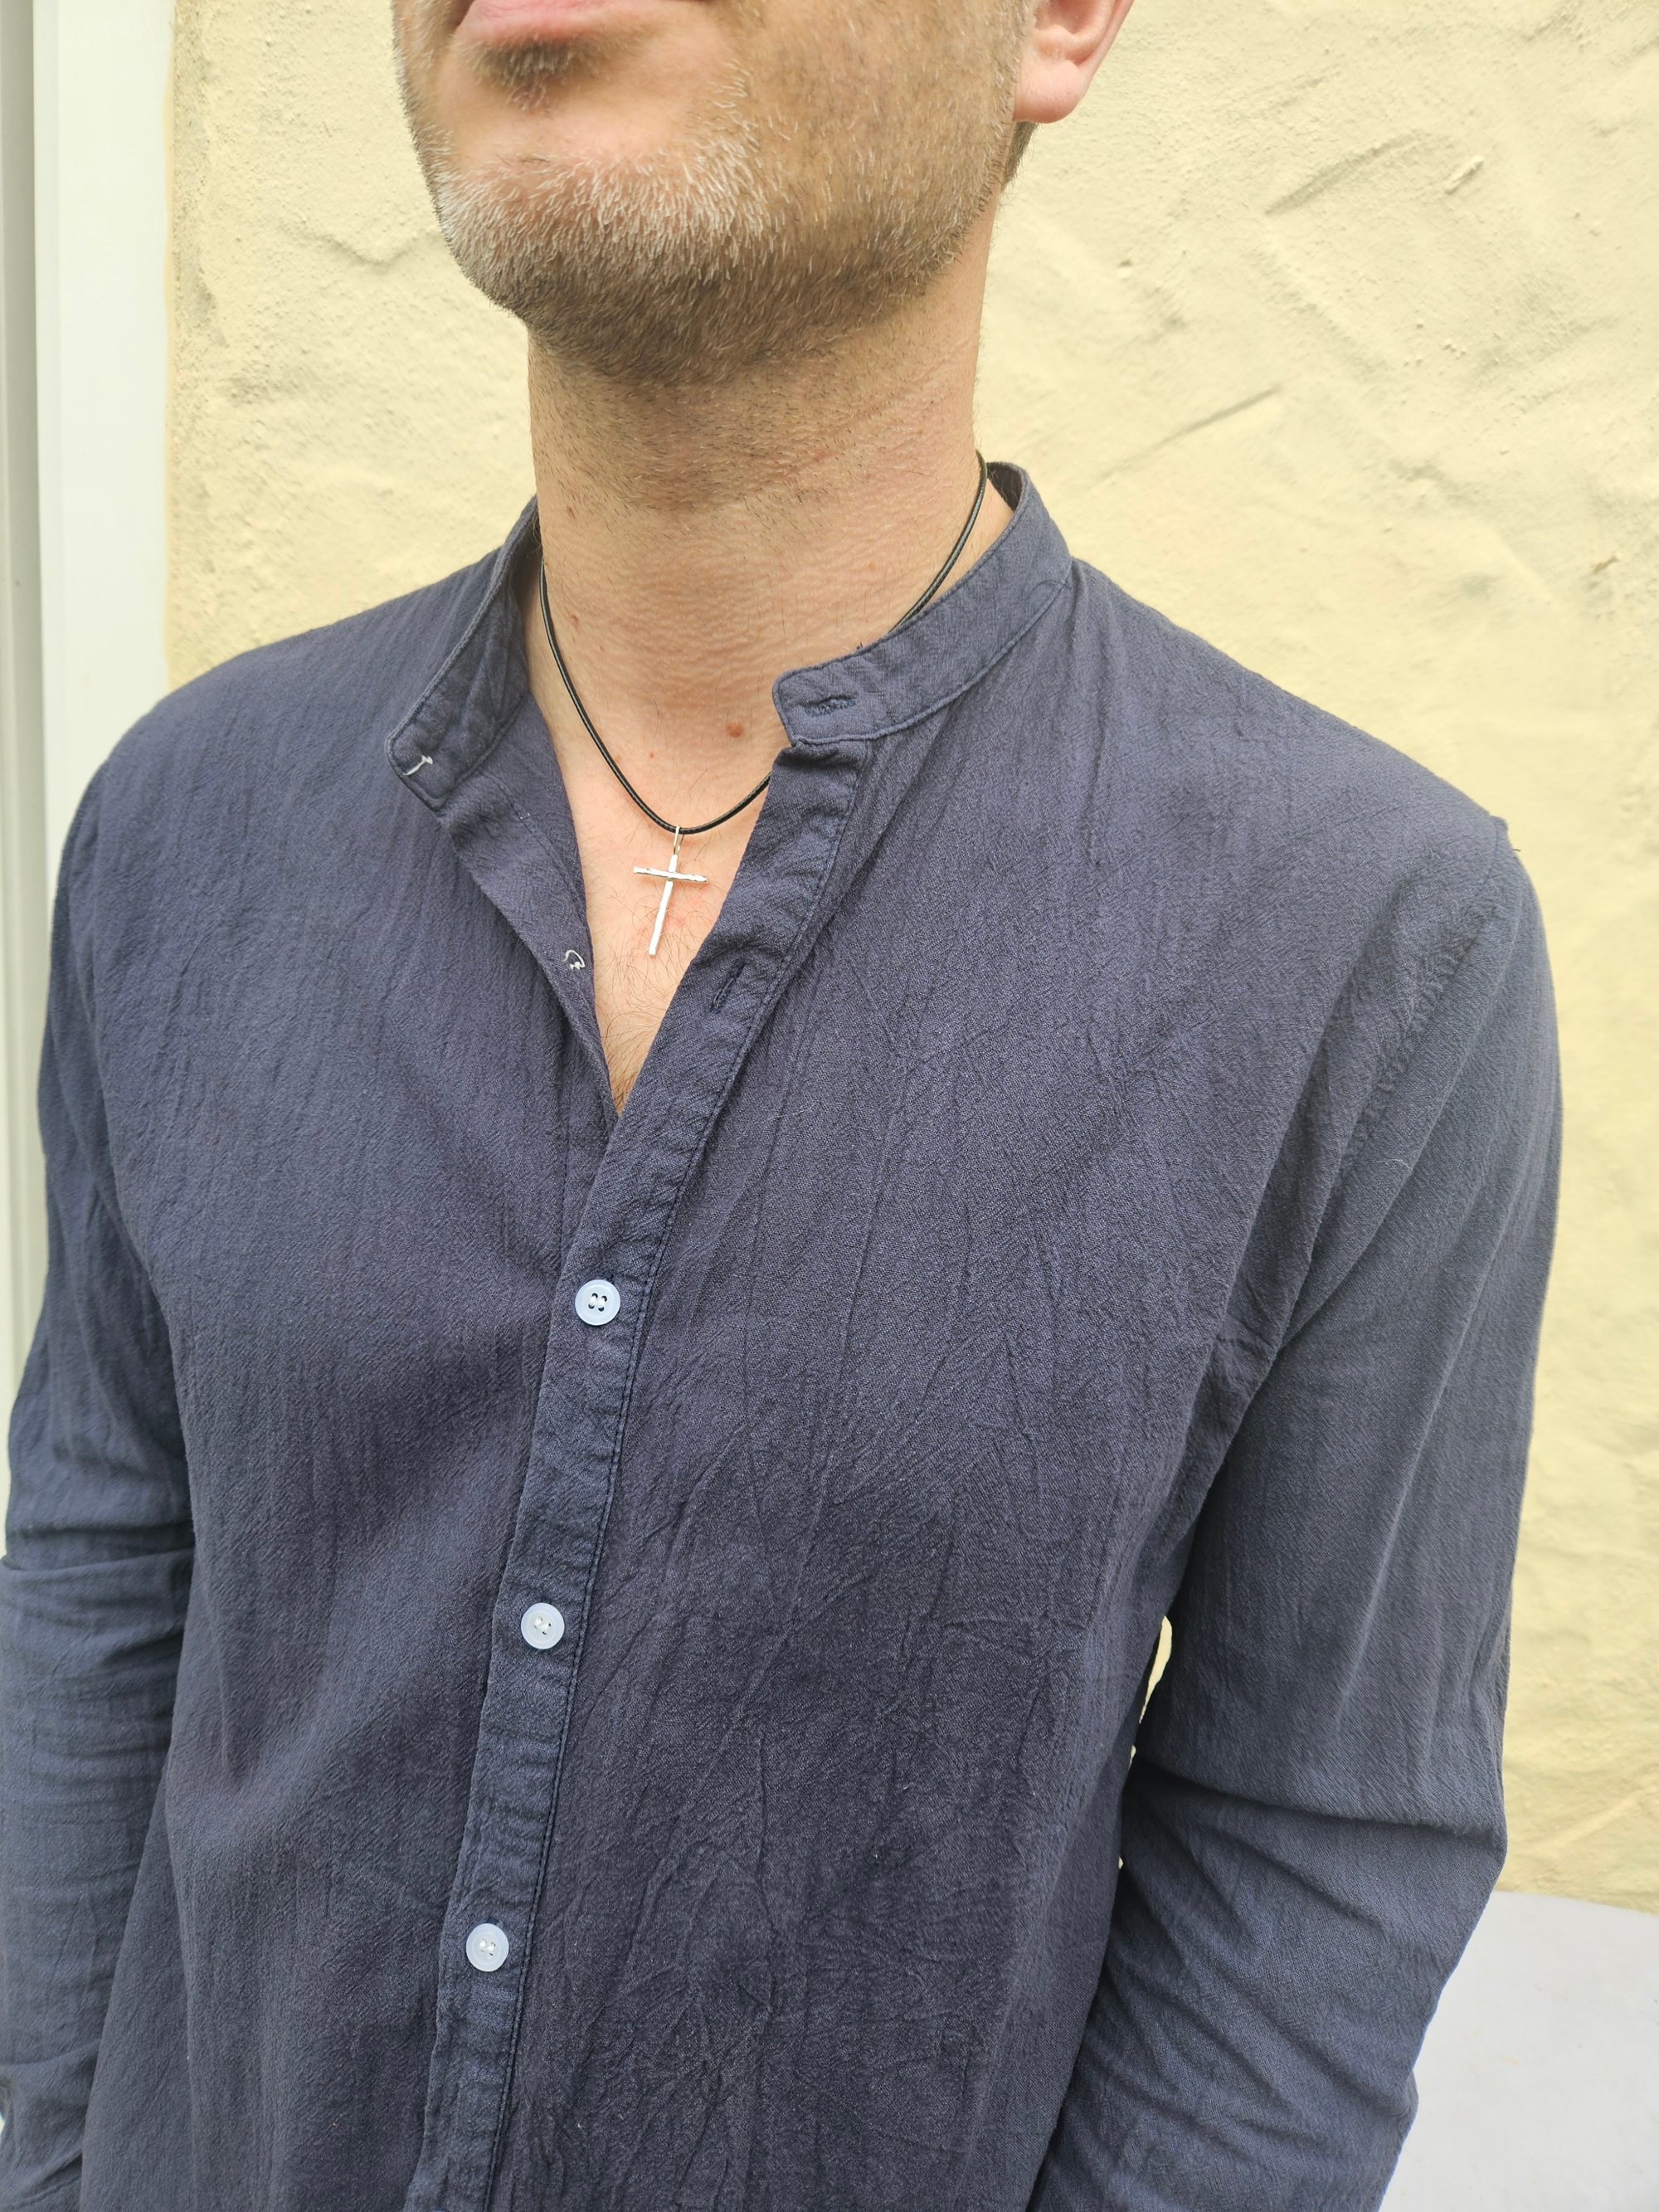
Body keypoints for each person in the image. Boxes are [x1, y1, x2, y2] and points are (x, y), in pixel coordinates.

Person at [0, 2, 1562, 2207]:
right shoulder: (188, 820)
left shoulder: (1366, 944)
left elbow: (1312, 1840)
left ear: (1059, 20)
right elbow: (100, 1572)